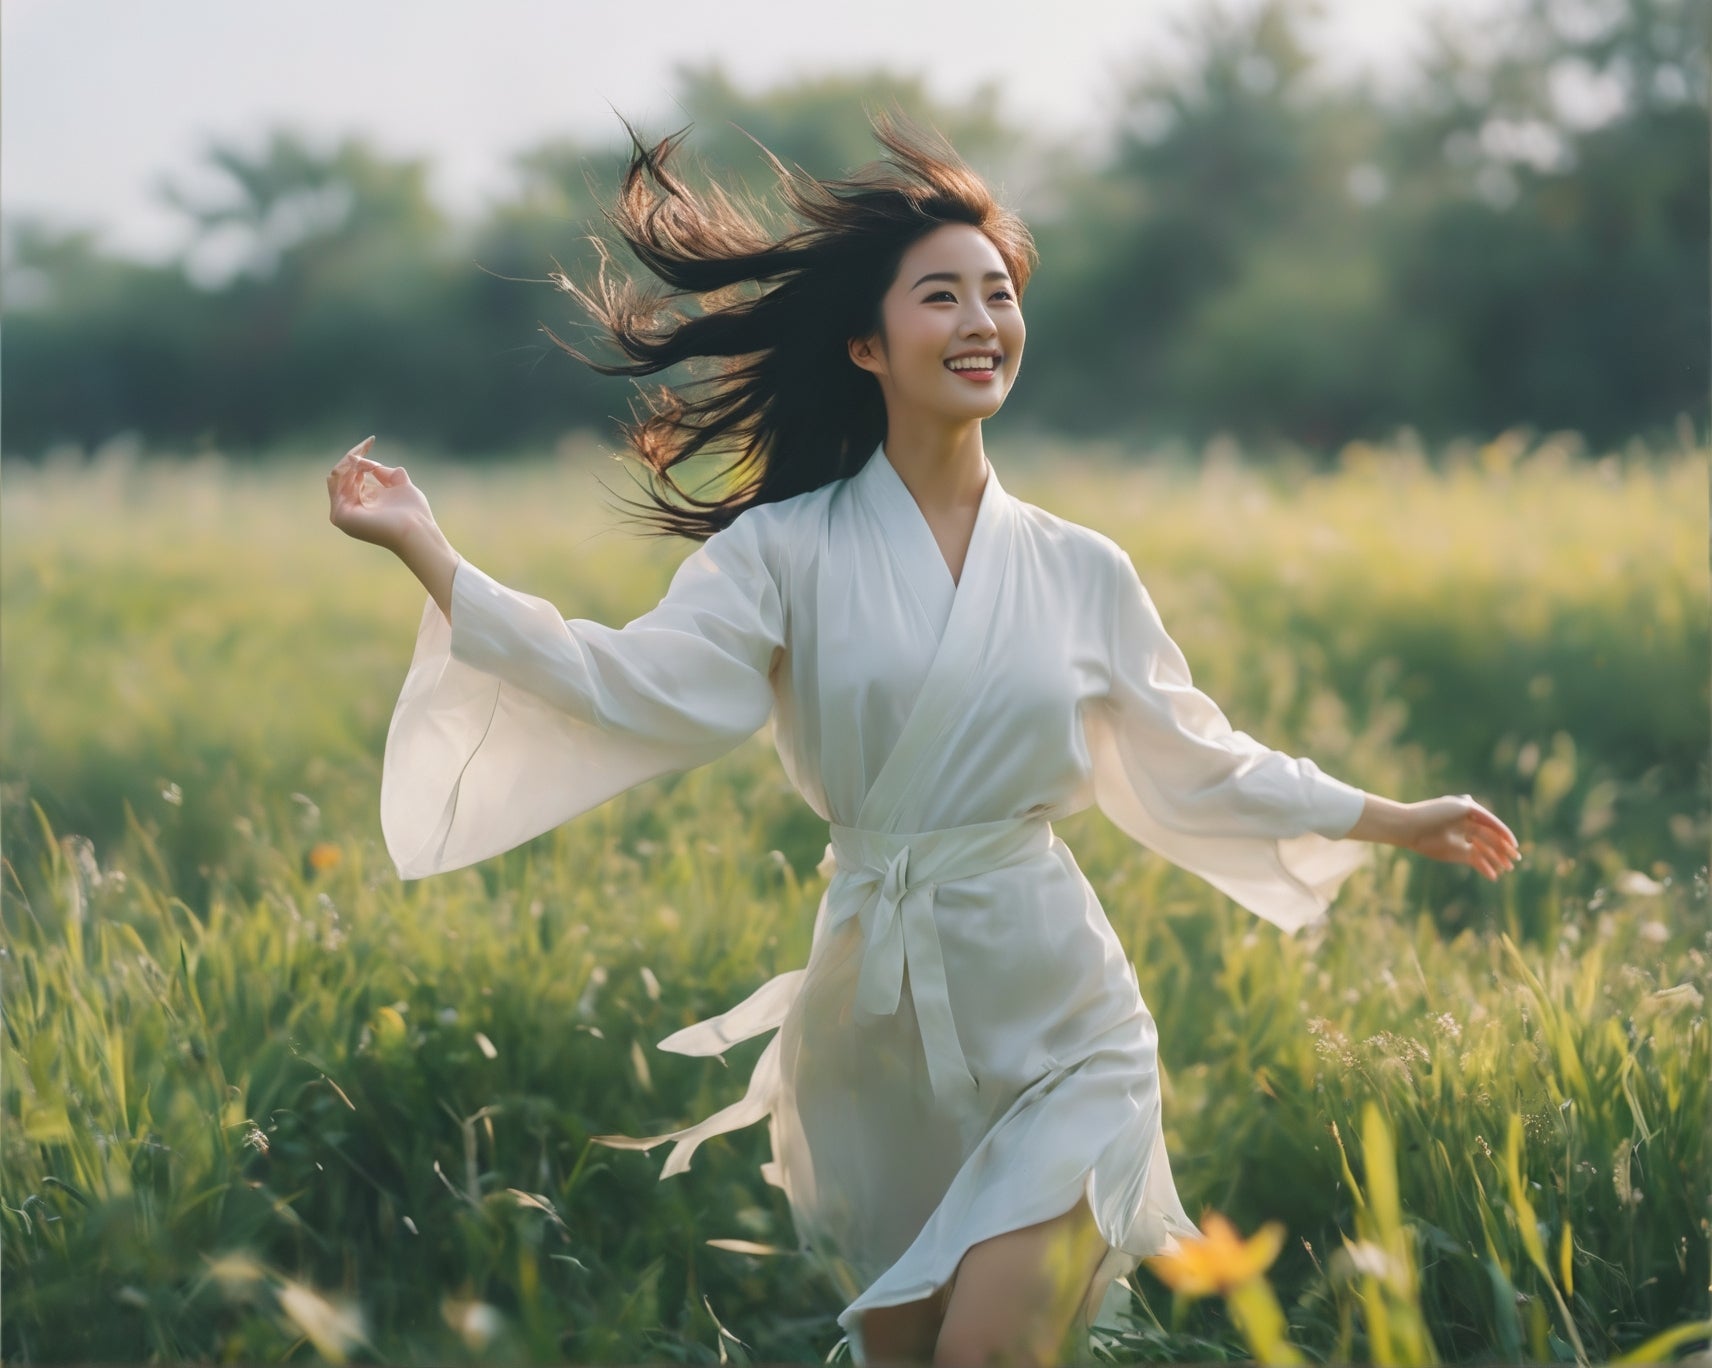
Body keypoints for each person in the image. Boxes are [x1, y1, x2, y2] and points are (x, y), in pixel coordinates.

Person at [326, 118, 1520, 1368]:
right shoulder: (781, 554)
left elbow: (1195, 752)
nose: (979, 322)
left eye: (998, 295)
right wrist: (430, 552)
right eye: (939, 295)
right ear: (865, 342)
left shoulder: (1079, 569)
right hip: (873, 1030)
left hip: (1063, 1023)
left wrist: (1389, 815)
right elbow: (628, 683)